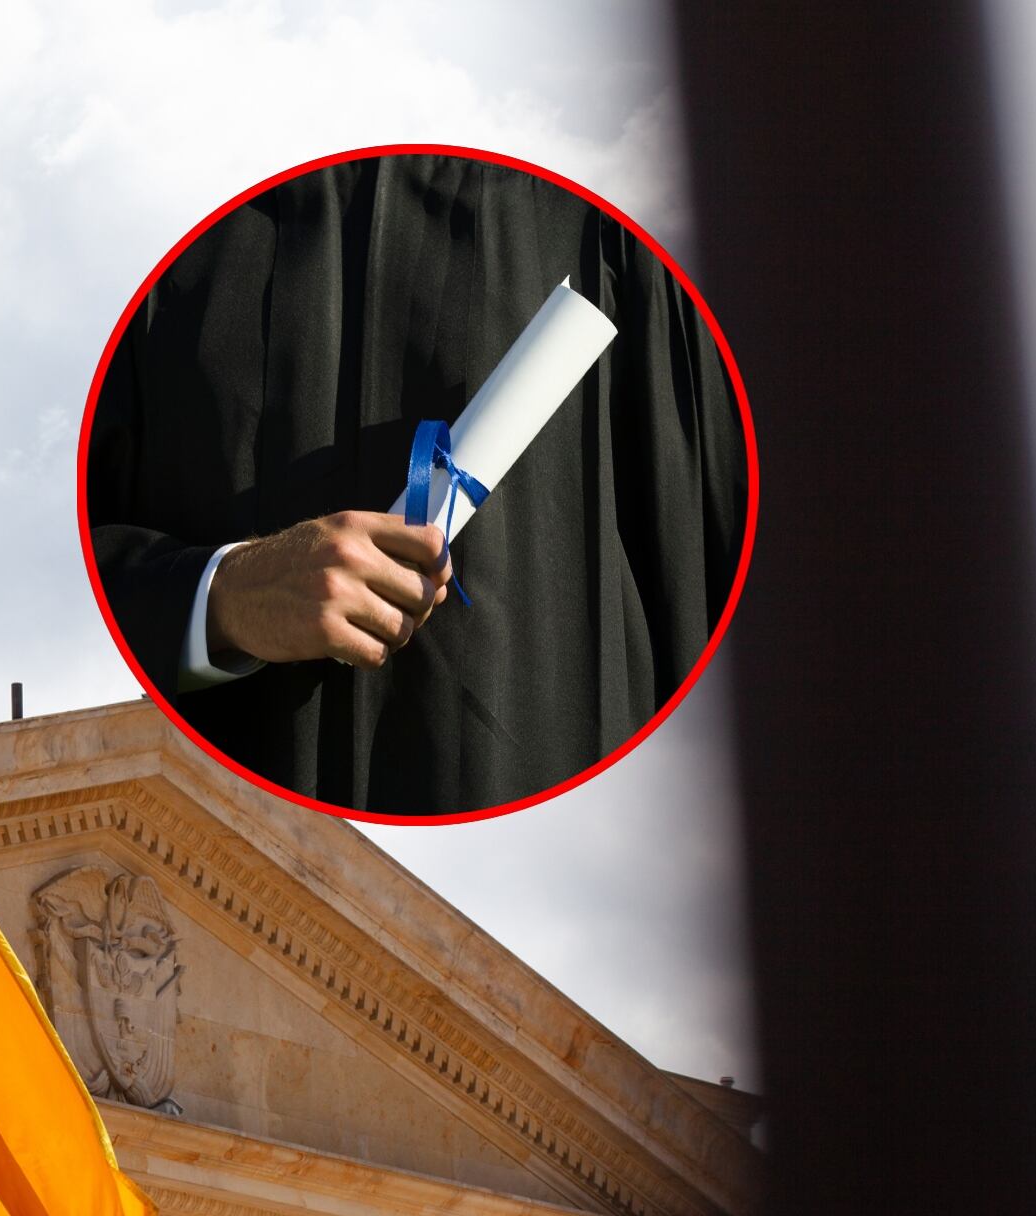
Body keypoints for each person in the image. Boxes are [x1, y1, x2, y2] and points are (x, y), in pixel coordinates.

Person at [88, 152, 747, 816]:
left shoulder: (599, 238)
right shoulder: (155, 250)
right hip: (225, 810)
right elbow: (55, 566)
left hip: (545, 800)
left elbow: (712, 542)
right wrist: (220, 596)